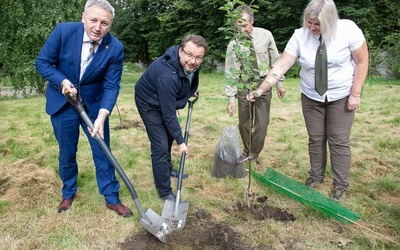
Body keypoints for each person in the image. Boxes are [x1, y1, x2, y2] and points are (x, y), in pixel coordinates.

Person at [247, 0, 368, 201]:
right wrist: (262, 88)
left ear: (329, 21)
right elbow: (283, 63)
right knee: (316, 138)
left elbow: (362, 60)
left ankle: (340, 186)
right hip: (311, 96)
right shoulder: (300, 35)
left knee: (338, 140)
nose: (311, 28)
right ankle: (315, 176)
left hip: (341, 95)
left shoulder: (349, 30)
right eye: (309, 22)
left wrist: (355, 93)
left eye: (317, 24)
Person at [35, 0, 133, 217]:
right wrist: (62, 81)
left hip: (94, 106)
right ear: (83, 17)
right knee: (67, 152)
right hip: (64, 103)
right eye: (94, 20)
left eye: (104, 23)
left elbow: (111, 84)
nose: (98, 27)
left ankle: (111, 197)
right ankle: (68, 191)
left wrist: (102, 116)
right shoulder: (63, 32)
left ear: (110, 25)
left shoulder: (115, 48)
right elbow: (42, 63)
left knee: (102, 151)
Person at [134, 34, 208, 202]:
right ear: (180, 51)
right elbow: (168, 114)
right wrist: (181, 142)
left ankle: (167, 169)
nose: (193, 61)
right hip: (148, 102)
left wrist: (189, 91)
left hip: (164, 98)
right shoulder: (167, 75)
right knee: (160, 145)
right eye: (189, 55)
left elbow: (186, 79)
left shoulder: (189, 63)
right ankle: (165, 192)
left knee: (168, 136)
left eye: (198, 57)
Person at [225, 6, 286, 165]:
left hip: (264, 82)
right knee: (244, 123)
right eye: (238, 25)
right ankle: (247, 150)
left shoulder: (266, 35)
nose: (241, 29)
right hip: (243, 84)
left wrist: (279, 83)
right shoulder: (234, 44)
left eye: (244, 25)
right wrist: (231, 99)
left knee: (262, 123)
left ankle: (254, 154)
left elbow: (276, 60)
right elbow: (230, 72)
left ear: (252, 21)